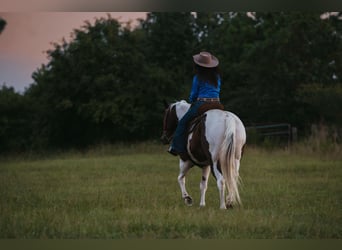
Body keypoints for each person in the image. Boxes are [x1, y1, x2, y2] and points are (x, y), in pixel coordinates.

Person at [168, 51, 222, 157]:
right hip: (217, 104)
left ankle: (176, 147)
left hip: (202, 104)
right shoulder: (217, 77)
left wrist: (192, 100)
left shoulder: (198, 77)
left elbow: (193, 94)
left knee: (183, 122)